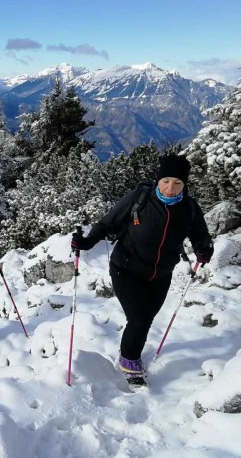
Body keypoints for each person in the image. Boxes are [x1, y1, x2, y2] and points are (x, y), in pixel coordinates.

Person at [70, 155, 213, 385]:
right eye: (166, 180)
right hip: (126, 269)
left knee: (145, 320)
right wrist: (86, 242)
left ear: (185, 185)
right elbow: (108, 222)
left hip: (161, 275)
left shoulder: (189, 209)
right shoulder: (141, 198)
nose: (170, 187)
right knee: (140, 320)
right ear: (158, 180)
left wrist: (203, 249)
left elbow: (200, 235)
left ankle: (131, 349)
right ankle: (129, 361)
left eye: (177, 183)